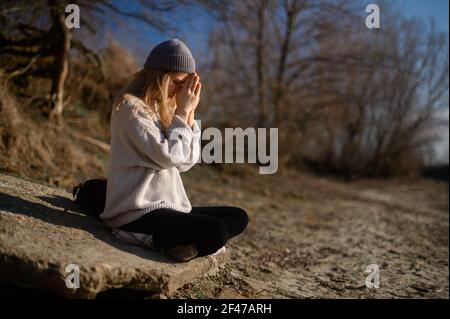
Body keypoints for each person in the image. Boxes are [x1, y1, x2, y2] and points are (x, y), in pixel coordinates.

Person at [73, 39, 248, 262]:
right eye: (177, 83)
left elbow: (185, 163)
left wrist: (190, 116)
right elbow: (168, 157)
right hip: (137, 211)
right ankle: (143, 238)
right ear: (160, 77)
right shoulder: (131, 107)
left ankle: (179, 241)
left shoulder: (167, 110)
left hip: (168, 205)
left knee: (238, 216)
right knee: (216, 233)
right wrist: (182, 113)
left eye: (185, 86)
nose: (179, 92)